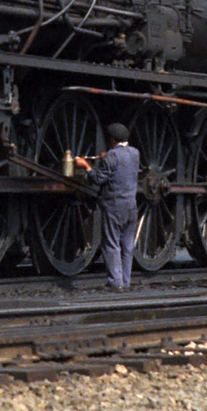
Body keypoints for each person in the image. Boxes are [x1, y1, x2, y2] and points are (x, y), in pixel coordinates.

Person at [75, 123, 140, 290]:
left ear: (111, 139)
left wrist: (86, 166)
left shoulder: (111, 157)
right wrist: (107, 156)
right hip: (131, 206)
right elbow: (121, 163)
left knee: (111, 244)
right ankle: (125, 281)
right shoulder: (135, 153)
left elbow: (97, 179)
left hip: (114, 206)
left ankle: (114, 282)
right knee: (127, 245)